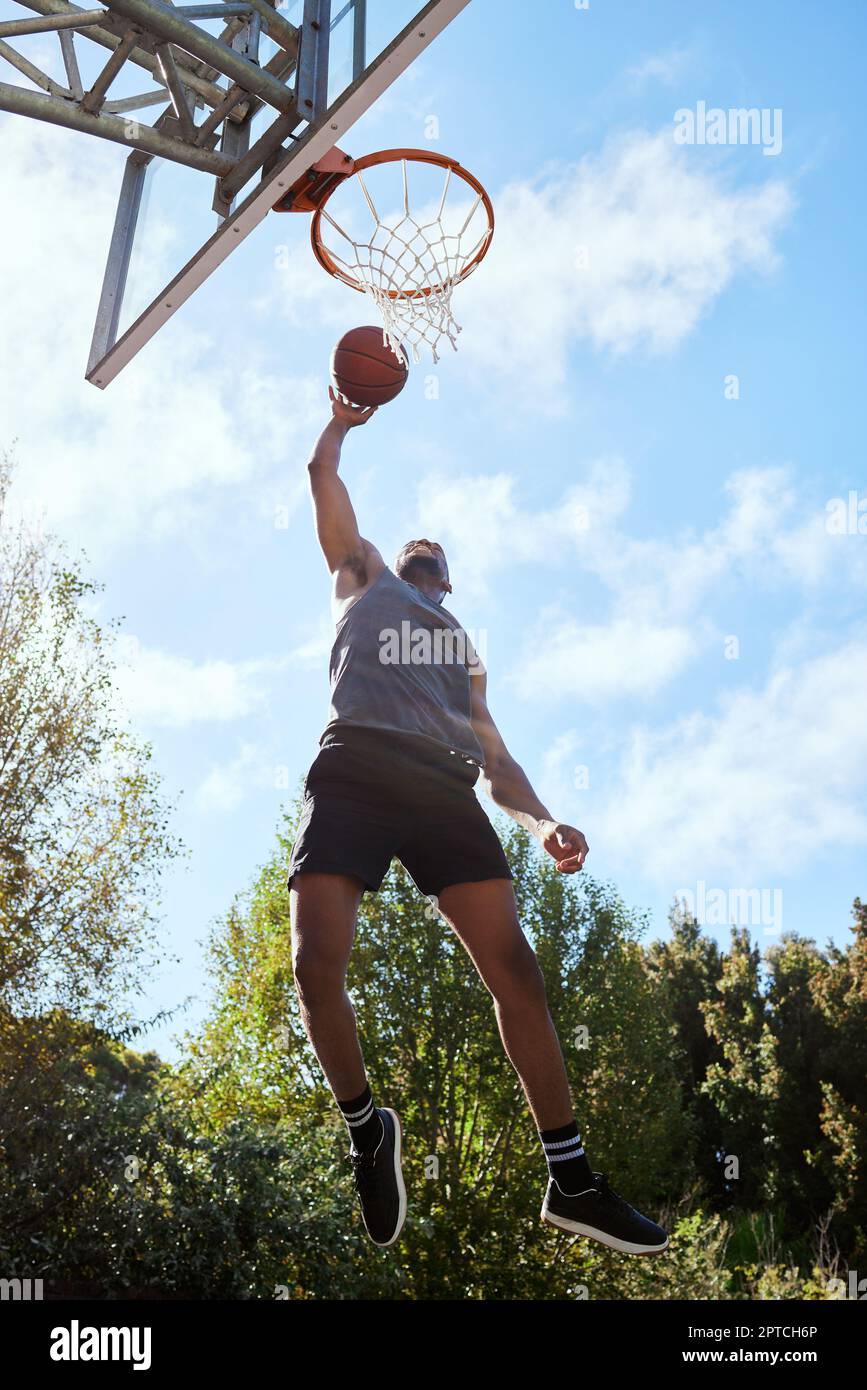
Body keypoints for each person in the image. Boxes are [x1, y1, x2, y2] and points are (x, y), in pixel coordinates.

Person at [287, 388, 668, 1256]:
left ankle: (571, 1179)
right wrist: (341, 423)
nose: (424, 556)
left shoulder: (460, 650)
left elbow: (497, 761)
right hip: (353, 762)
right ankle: (364, 1130)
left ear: (449, 583)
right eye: (415, 547)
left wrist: (541, 823)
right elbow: (320, 474)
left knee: (516, 970)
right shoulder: (362, 578)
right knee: (314, 966)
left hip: (441, 788)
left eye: (436, 557)